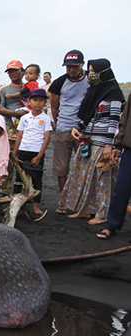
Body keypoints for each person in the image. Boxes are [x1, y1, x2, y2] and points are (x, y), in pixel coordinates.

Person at [61, 58, 124, 225]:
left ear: (104, 72)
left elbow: (114, 121)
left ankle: (102, 214)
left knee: (101, 179)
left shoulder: (114, 93)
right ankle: (85, 210)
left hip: (102, 143)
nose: (91, 75)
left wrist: (108, 145)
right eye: (90, 71)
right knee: (83, 177)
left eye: (94, 71)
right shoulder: (94, 91)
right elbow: (88, 116)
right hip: (88, 141)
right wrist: (77, 127)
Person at [49, 49, 90, 204]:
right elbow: (54, 107)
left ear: (82, 64)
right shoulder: (59, 83)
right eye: (68, 67)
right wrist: (58, 123)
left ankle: (82, 200)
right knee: (61, 167)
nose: (72, 70)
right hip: (64, 128)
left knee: (85, 165)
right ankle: (64, 199)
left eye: (75, 66)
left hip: (84, 130)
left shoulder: (90, 80)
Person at [12, 88, 53, 220]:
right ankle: (15, 204)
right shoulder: (24, 118)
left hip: (36, 152)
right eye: (35, 100)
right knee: (19, 179)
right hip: (23, 151)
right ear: (29, 101)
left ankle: (36, 205)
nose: (38, 103)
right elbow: (19, 136)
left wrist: (39, 155)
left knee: (36, 179)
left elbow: (47, 138)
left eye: (41, 100)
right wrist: (14, 153)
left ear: (45, 103)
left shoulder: (46, 119)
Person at [97, 92, 131, 239]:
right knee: (122, 189)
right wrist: (118, 144)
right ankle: (112, 225)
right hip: (129, 150)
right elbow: (124, 119)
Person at [0, 60, 29, 133]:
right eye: (10, 72)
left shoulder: (31, 88)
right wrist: (15, 113)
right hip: (11, 127)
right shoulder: (3, 90)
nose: (13, 73)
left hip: (30, 126)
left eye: (15, 71)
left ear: (23, 71)